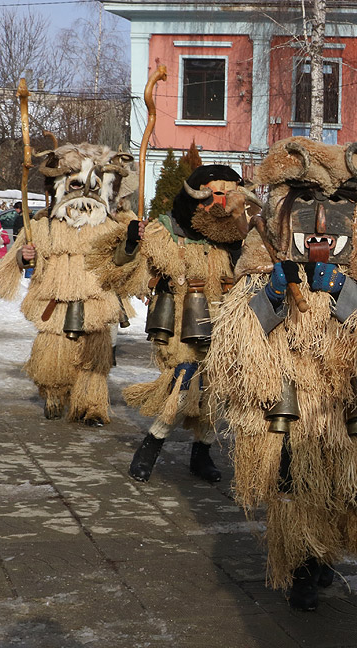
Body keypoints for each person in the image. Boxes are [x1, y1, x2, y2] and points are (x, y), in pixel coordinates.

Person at [205, 138, 357, 611]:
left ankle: (322, 557)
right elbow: (235, 348)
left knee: (340, 489)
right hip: (289, 406)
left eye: (332, 217)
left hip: (341, 409)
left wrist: (346, 297)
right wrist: (270, 299)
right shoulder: (264, 274)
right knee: (292, 489)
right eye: (305, 215)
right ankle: (299, 570)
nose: (318, 229)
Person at [109, 165, 257, 483]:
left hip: (224, 324)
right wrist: (132, 242)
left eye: (231, 194)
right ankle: (151, 445)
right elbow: (120, 270)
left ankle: (201, 455)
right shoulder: (166, 230)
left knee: (214, 391)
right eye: (219, 193)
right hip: (178, 327)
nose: (226, 203)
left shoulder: (238, 239)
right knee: (182, 384)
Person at [0, 144, 137, 425]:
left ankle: (91, 407)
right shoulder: (42, 227)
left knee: (94, 360)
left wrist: (131, 242)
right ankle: (53, 394)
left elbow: (121, 261)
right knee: (53, 358)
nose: (82, 196)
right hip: (54, 303)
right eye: (74, 185)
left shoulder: (110, 227)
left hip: (96, 303)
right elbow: (16, 263)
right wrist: (25, 259)